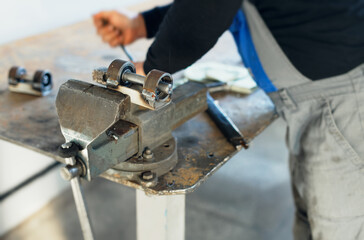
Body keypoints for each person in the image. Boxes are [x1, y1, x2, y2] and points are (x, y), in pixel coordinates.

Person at [93, 1, 364, 239]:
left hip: (341, 99)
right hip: (318, 101)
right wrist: (142, 24)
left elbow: (209, 8)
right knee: (312, 218)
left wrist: (150, 67)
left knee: (338, 227)